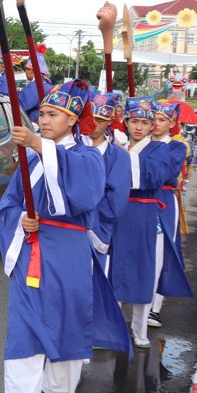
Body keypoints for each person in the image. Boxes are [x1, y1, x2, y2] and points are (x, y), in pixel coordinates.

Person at [0, 80, 129, 393]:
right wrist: (21, 219)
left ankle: (62, 391)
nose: (43, 120)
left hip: (68, 253)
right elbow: (8, 204)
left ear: (71, 120)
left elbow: (83, 196)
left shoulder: (87, 158)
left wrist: (40, 145)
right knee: (23, 333)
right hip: (31, 251)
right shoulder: (31, 159)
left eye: (51, 115)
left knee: (68, 325)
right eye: (41, 114)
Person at [110, 99, 192, 348]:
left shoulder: (166, 150)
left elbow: (155, 176)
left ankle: (140, 328)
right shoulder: (117, 146)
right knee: (116, 270)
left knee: (147, 271)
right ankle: (111, 329)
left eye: (146, 122)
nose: (141, 127)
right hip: (119, 213)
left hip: (149, 215)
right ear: (126, 122)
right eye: (135, 121)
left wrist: (125, 156)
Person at [147, 101, 192, 329]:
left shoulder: (177, 147)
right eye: (152, 118)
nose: (155, 123)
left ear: (172, 123)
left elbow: (165, 172)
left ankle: (154, 309)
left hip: (163, 202)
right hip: (136, 204)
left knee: (160, 253)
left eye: (162, 119)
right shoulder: (140, 143)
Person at [82, 91, 131, 284]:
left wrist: (87, 219)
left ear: (110, 121)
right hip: (66, 231)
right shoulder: (70, 147)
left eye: (100, 120)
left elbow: (115, 202)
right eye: (90, 118)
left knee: (93, 286)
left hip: (96, 227)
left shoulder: (119, 156)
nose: (94, 124)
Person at [18, 46, 54, 123]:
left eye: (26, 70)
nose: (26, 72)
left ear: (30, 71)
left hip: (34, 124)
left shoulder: (35, 87)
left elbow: (18, 107)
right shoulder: (49, 85)